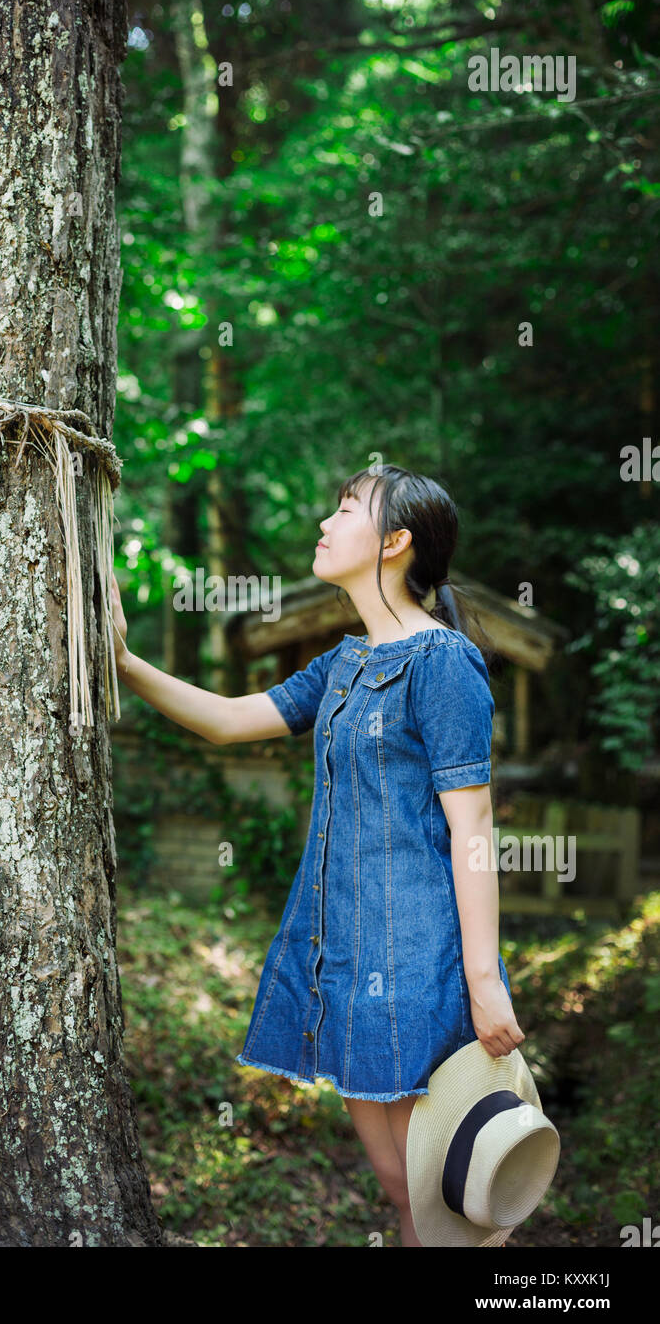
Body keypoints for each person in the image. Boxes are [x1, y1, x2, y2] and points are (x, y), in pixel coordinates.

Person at [109, 462, 524, 1248]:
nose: (325, 525)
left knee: (453, 1195)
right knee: (405, 1192)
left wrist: (482, 982)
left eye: (346, 511)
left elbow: (473, 828)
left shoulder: (443, 663)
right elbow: (231, 720)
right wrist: (125, 665)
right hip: (346, 961)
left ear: (396, 542)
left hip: (426, 962)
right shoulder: (343, 663)